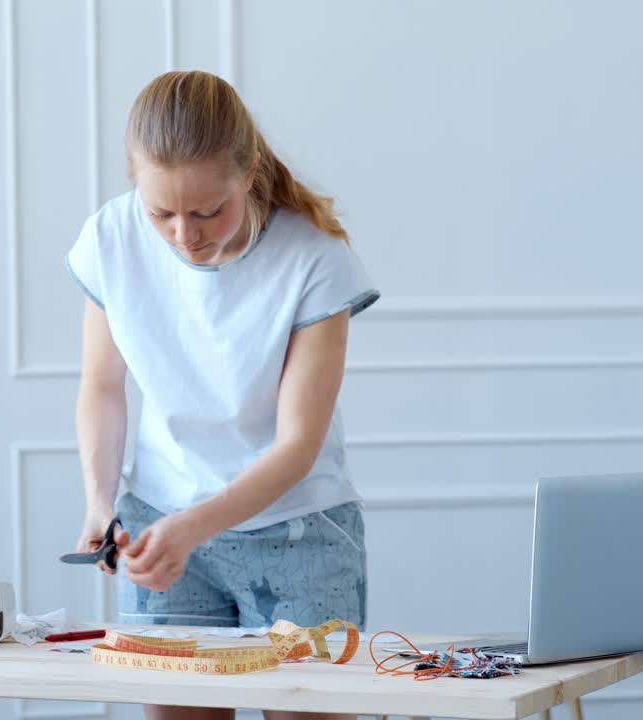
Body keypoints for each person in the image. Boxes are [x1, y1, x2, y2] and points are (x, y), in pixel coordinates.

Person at [67, 70, 379, 720]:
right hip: (161, 524)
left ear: (250, 170)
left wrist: (193, 526)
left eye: (210, 210)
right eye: (162, 213)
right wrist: (100, 504)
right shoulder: (111, 238)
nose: (187, 235)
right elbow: (101, 386)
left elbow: (298, 445)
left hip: (297, 533)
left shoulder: (316, 260)